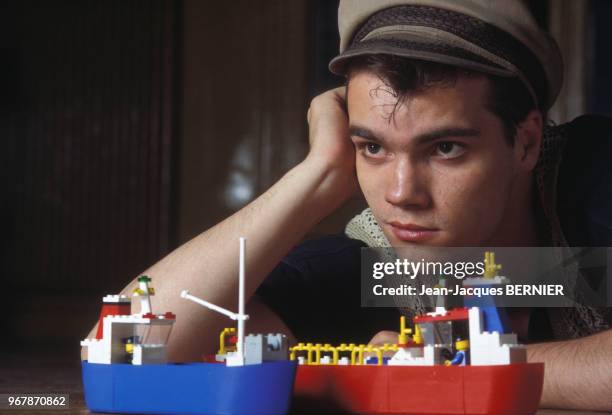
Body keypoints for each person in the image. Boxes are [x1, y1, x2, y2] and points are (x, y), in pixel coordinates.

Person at [84, 0, 612, 411]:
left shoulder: (594, 176)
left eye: (446, 148)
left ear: (526, 143)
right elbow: (126, 356)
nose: (402, 193)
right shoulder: (373, 261)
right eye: (373, 147)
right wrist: (317, 176)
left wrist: (451, 367)